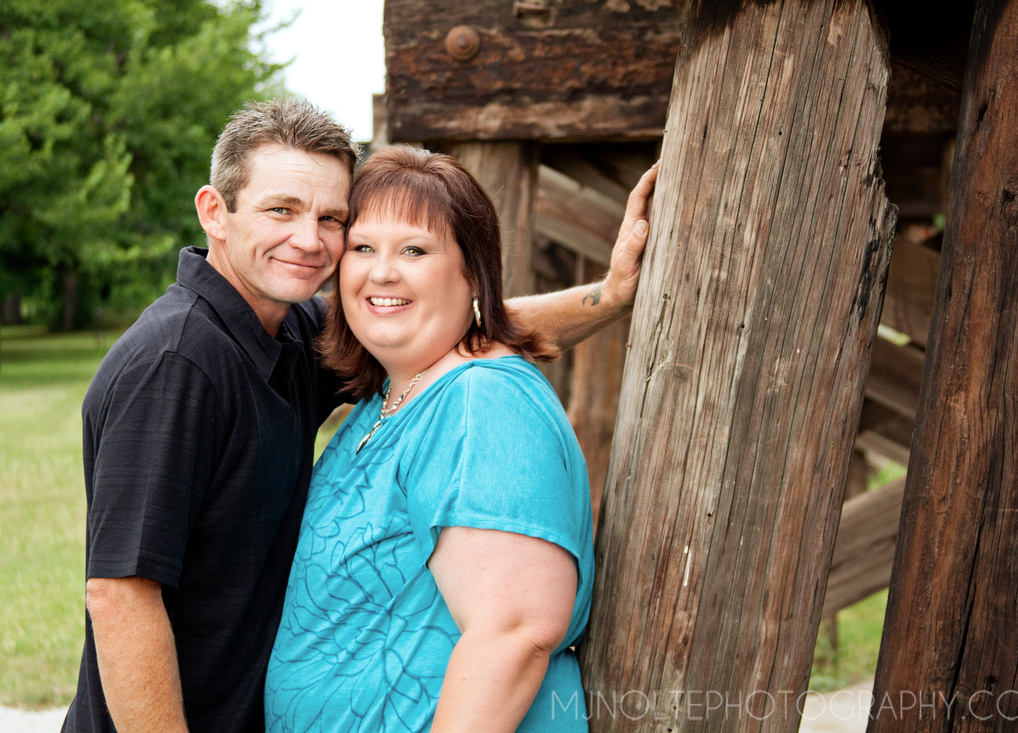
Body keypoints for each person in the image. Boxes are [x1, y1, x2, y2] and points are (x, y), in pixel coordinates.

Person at [64, 98, 656, 733]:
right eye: (280, 210)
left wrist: (608, 296)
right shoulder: (178, 362)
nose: (308, 238)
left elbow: (429, 322)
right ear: (215, 212)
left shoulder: (285, 338)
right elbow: (121, 594)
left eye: (331, 218)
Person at [265, 145, 611, 731]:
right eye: (363, 247)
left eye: (415, 251)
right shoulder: (390, 395)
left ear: (473, 273)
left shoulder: (481, 402)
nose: (382, 272)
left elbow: (514, 632)